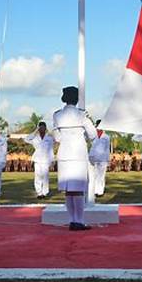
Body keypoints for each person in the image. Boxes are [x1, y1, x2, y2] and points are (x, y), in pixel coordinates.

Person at [52, 86, 98, 231]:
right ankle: (79, 221)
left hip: (64, 154)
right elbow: (93, 134)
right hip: (78, 154)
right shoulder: (82, 115)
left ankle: (72, 220)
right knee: (78, 190)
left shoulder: (57, 115)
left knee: (68, 190)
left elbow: (57, 137)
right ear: (77, 98)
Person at [23, 121, 55, 199]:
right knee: (37, 176)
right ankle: (39, 193)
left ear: (45, 128)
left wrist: (52, 161)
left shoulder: (49, 138)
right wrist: (35, 131)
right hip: (37, 159)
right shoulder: (35, 138)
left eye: (43, 127)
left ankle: (44, 192)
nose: (42, 129)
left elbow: (51, 150)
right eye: (40, 127)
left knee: (45, 177)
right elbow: (26, 139)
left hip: (46, 160)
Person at [88, 120, 110, 198]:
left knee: (101, 175)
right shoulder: (92, 135)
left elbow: (107, 148)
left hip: (103, 158)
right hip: (93, 156)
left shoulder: (106, 137)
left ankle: (100, 191)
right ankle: (94, 190)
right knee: (94, 175)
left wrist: (108, 159)